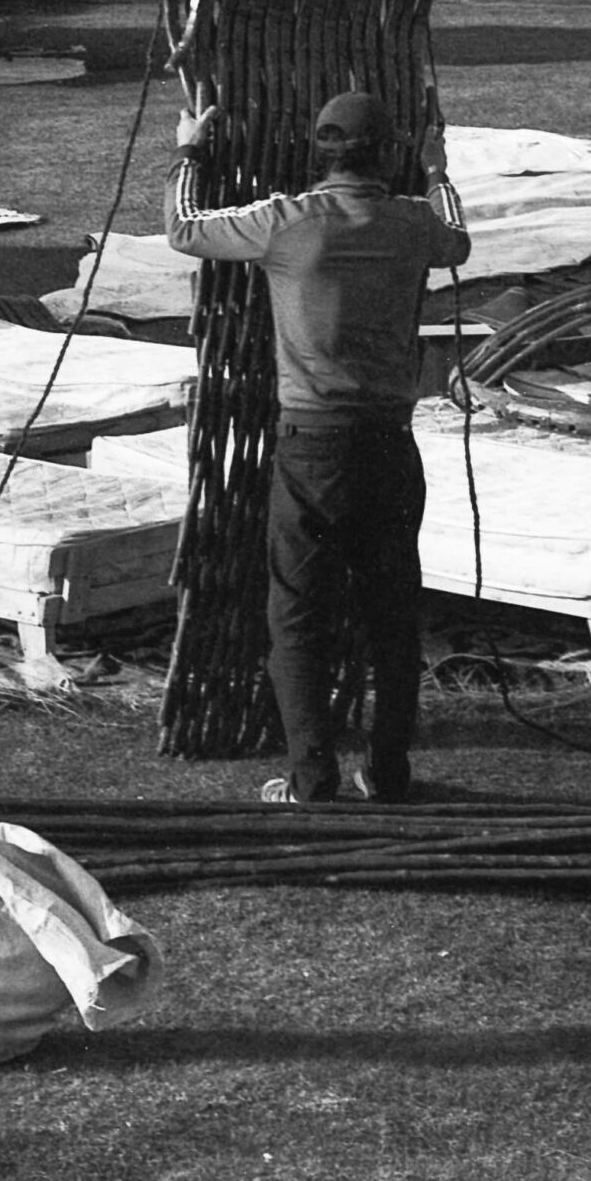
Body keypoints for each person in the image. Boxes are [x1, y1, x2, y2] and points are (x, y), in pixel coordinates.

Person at [165, 89, 470, 801]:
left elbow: (183, 229)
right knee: (393, 615)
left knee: (297, 614)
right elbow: (457, 237)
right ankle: (388, 772)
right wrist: (436, 169)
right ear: (388, 152)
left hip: (312, 448)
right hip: (391, 446)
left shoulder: (285, 223)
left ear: (318, 150)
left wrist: (188, 148)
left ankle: (311, 778)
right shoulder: (414, 224)